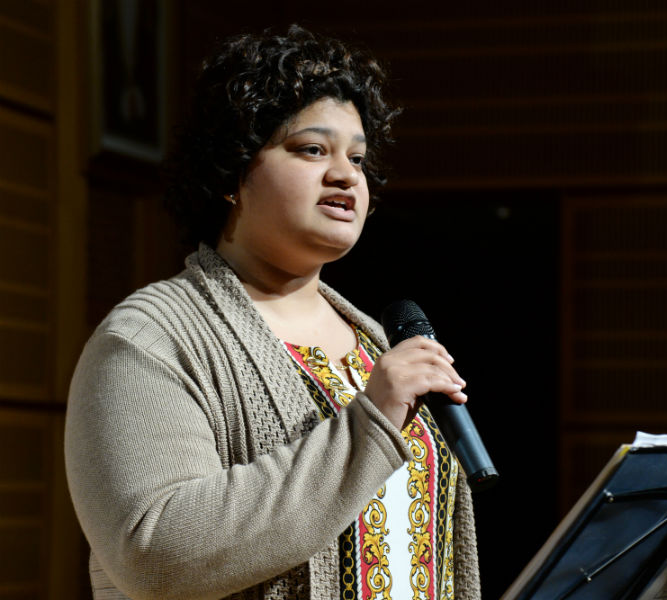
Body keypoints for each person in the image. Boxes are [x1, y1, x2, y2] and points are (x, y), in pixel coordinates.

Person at [64, 25, 481, 600]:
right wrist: (368, 427)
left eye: (357, 158)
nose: (346, 174)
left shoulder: (373, 339)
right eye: (312, 149)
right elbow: (153, 554)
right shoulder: (150, 338)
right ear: (232, 170)